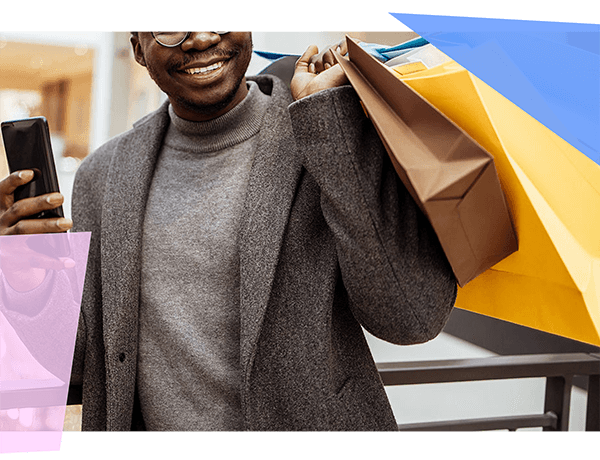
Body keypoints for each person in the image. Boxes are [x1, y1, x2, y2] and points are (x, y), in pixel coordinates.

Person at [0, 31, 457, 431]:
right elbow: (86, 366)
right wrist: (27, 282)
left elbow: (410, 320)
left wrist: (328, 125)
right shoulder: (103, 175)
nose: (200, 39)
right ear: (138, 48)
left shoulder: (319, 134)